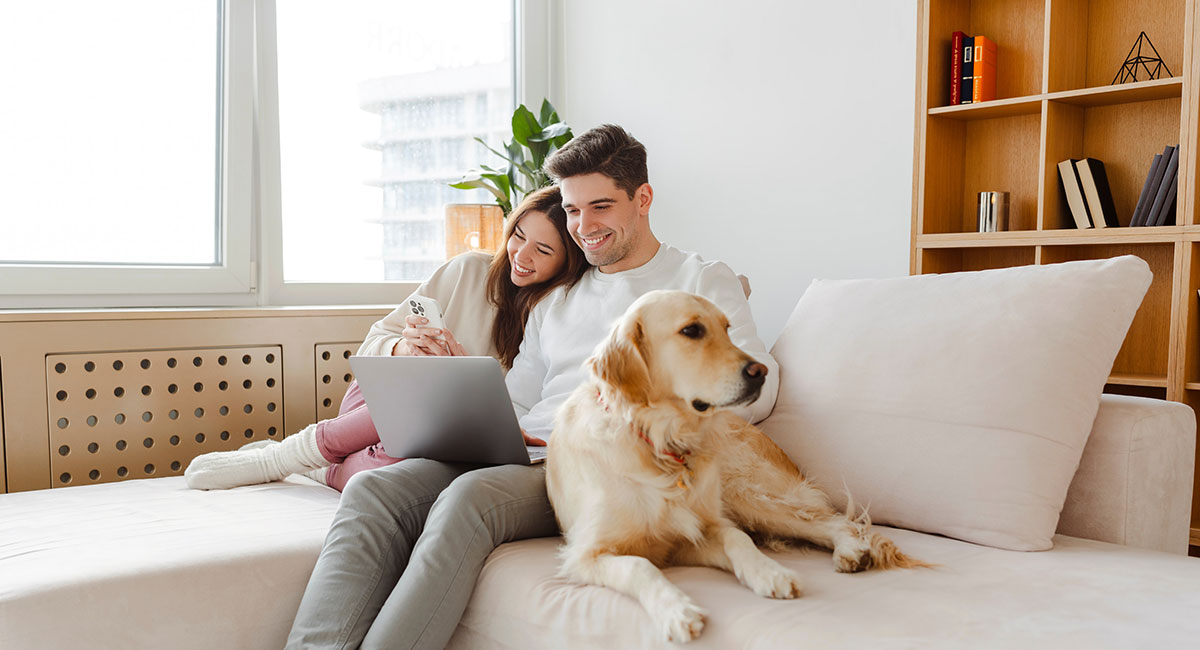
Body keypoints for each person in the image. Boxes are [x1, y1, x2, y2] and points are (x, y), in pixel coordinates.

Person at [284, 124, 779, 649]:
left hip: (608, 466)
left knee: (470, 498)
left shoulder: (701, 280)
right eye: (572, 209)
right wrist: (473, 401)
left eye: (601, 207)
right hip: (529, 450)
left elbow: (759, 391)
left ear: (643, 199)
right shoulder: (559, 294)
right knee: (374, 488)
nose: (583, 226)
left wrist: (648, 416)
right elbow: (518, 399)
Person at [183, 185, 588, 492]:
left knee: (392, 478)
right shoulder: (466, 271)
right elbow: (373, 344)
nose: (521, 255)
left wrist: (460, 375)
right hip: (374, 403)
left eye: (543, 249)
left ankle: (321, 467)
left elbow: (509, 416)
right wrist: (404, 348)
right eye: (518, 235)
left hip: (430, 437)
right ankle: (280, 457)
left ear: (567, 260)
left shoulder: (556, 313)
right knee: (420, 391)